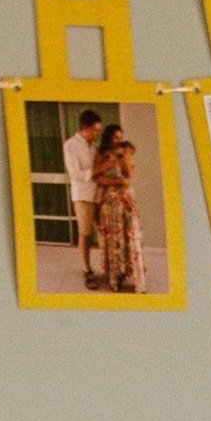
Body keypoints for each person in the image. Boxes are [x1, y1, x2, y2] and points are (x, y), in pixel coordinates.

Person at [91, 125, 143, 292]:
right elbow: (98, 179)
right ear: (108, 138)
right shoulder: (101, 155)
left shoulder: (126, 152)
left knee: (131, 237)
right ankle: (116, 278)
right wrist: (118, 182)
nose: (118, 141)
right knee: (114, 240)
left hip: (126, 200)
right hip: (110, 202)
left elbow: (129, 176)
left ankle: (137, 279)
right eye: (115, 138)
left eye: (120, 137)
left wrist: (123, 157)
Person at [60, 106, 105, 281]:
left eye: (98, 131)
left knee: (104, 231)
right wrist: (97, 170)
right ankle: (87, 270)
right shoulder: (70, 145)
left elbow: (97, 172)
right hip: (82, 196)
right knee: (85, 233)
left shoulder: (94, 146)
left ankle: (108, 267)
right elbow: (75, 174)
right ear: (85, 127)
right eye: (95, 130)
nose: (97, 134)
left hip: (97, 195)